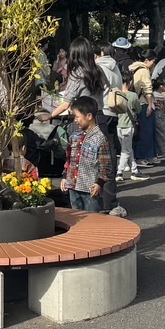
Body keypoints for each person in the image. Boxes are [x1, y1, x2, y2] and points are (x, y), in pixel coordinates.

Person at [47, 38, 124, 216]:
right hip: (100, 117)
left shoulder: (77, 73)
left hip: (83, 119)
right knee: (105, 161)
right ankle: (109, 204)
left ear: (75, 54)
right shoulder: (98, 70)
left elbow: (66, 103)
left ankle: (82, 206)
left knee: (79, 160)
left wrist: (49, 116)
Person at [60, 96, 111, 213]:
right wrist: (64, 177)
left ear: (89, 116)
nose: (75, 120)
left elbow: (105, 165)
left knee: (91, 218)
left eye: (77, 116)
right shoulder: (74, 136)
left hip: (90, 188)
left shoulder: (100, 139)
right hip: (73, 186)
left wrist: (99, 183)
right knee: (76, 217)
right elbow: (69, 160)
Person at [114, 76, 146, 182]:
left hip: (118, 125)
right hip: (128, 125)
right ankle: (119, 172)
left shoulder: (116, 94)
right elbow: (139, 109)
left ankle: (134, 170)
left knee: (127, 149)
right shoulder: (133, 95)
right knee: (126, 150)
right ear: (130, 82)